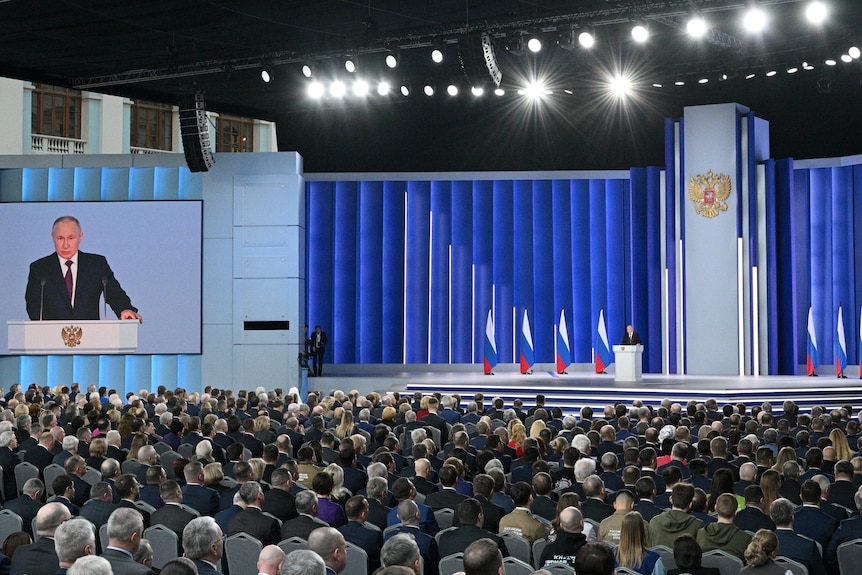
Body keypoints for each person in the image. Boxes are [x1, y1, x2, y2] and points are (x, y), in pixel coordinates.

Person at [25, 216, 142, 322]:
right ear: (52, 237)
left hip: (90, 338)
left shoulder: (96, 265)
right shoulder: (40, 268)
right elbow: (33, 306)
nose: (65, 245)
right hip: (51, 338)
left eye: (71, 238)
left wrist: (124, 309)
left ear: (80, 237)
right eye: (60, 238)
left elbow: (114, 292)